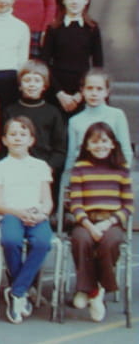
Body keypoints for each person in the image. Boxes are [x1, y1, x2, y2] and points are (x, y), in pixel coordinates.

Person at [67, 122, 133, 323]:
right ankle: (91, 289)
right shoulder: (80, 169)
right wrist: (89, 225)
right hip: (86, 221)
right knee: (81, 240)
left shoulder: (121, 169)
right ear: (87, 145)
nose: (100, 146)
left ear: (113, 144)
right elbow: (75, 204)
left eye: (104, 141)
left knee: (110, 242)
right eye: (94, 142)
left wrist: (108, 223)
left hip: (111, 221)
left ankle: (94, 290)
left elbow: (128, 206)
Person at [0, 116, 53, 325]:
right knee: (10, 240)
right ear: (4, 140)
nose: (18, 138)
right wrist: (18, 213)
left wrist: (41, 214)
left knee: (43, 242)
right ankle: (22, 291)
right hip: (11, 214)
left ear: (31, 140)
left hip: (36, 214)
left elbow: (47, 201)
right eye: (13, 134)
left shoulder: (41, 166)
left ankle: (16, 291)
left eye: (23, 134)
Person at [1, 60, 66, 202]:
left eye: (37, 80)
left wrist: (49, 167)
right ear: (20, 85)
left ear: (44, 85)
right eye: (27, 80)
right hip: (14, 170)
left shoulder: (53, 112)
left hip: (42, 171)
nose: (32, 84)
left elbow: (60, 148)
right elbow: (3, 144)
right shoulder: (10, 111)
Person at [42, 0, 103, 116]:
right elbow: (44, 64)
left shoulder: (92, 29)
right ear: (63, 0)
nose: (74, 1)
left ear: (86, 0)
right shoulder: (53, 29)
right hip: (57, 91)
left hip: (84, 91)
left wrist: (81, 94)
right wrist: (59, 93)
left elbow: (98, 66)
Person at [65, 68, 132, 173]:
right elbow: (72, 155)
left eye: (99, 89)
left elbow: (125, 150)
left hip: (112, 174)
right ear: (82, 90)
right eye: (89, 88)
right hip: (85, 176)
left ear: (107, 92)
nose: (94, 93)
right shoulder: (74, 121)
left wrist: (124, 175)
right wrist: (67, 180)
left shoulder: (117, 115)